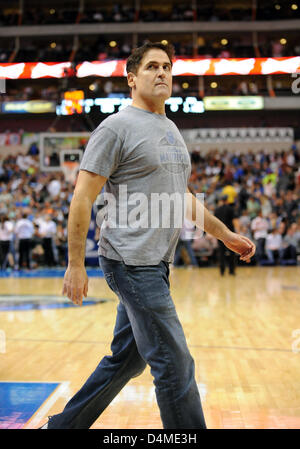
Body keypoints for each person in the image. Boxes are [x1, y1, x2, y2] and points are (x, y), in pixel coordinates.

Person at [39, 42, 255, 430]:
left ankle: (62, 427)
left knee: (127, 359)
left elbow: (183, 198)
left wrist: (226, 236)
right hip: (129, 262)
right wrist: (75, 264)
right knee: (175, 363)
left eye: (167, 67)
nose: (162, 73)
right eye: (152, 67)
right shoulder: (115, 127)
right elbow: (81, 198)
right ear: (132, 78)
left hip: (156, 263)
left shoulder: (170, 128)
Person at [214, 195, 238, 276]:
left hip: (220, 234)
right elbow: (234, 221)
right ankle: (231, 271)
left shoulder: (217, 210)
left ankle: (222, 271)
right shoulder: (231, 209)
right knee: (232, 252)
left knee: (221, 253)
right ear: (227, 200)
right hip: (230, 233)